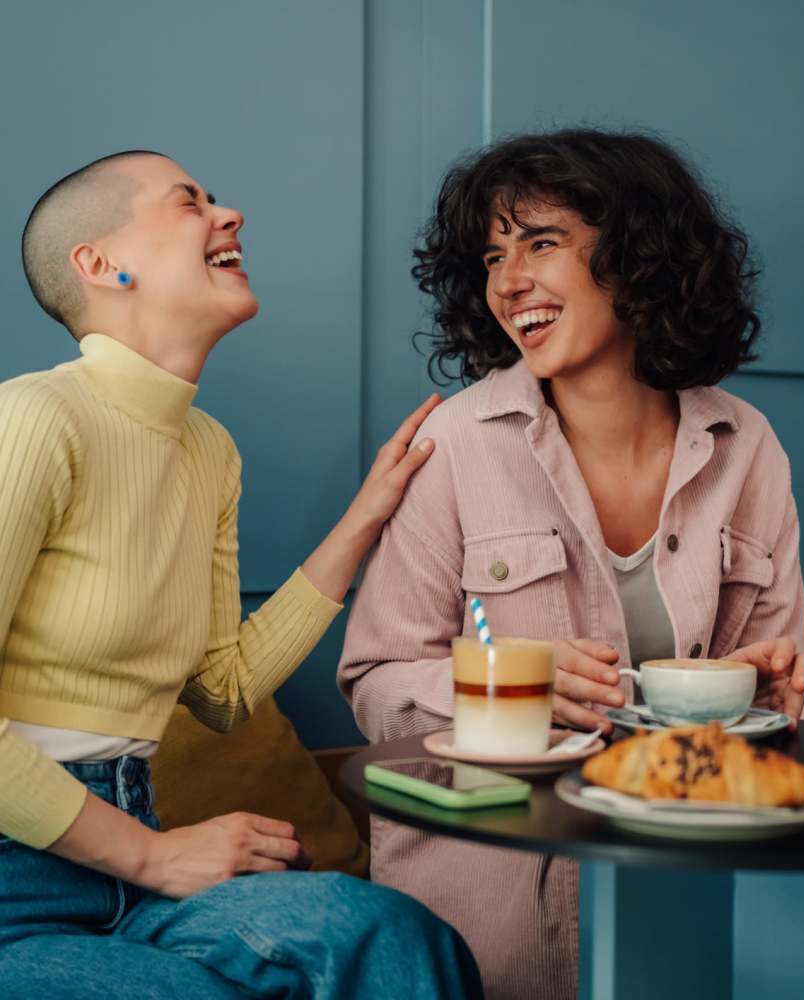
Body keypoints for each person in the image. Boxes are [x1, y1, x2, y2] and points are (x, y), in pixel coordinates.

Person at [338, 128, 804, 999]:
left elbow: (777, 705)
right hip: (491, 920)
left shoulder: (747, 446)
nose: (507, 280)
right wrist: (506, 688)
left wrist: (772, 695)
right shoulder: (454, 444)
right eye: (493, 256)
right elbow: (375, 684)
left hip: (685, 903)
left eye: (541, 243)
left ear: (640, 256)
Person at [0, 150, 484, 1000]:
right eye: (189, 202)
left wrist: (365, 516)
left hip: (131, 862)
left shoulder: (208, 450)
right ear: (100, 264)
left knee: (388, 934)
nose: (230, 216)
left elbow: (221, 691)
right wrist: (152, 855)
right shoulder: (34, 417)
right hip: (21, 886)